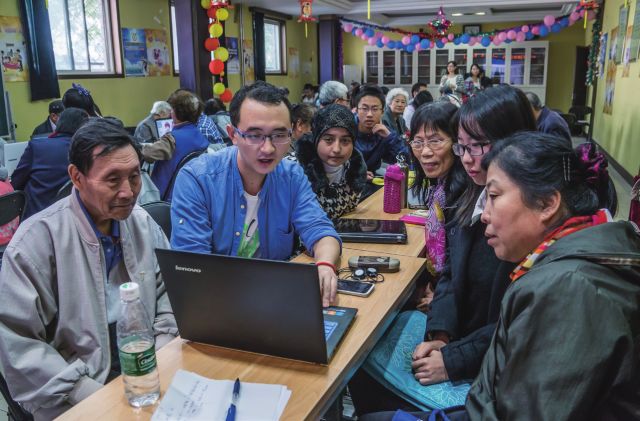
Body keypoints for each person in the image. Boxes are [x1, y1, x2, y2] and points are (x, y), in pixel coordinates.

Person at [361, 133, 638, 421]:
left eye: (493, 196)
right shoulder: (572, 255)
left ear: (546, 204)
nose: (484, 214)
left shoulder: (570, 288)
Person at [349, 84, 537, 416]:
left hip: (493, 376)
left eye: (478, 145)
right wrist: (441, 334)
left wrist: (451, 358)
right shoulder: (471, 196)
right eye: (464, 146)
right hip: (466, 342)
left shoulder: (523, 221)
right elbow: (451, 270)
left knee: (362, 355)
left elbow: (518, 324)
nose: (469, 158)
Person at [0, 119, 178, 420]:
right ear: (77, 177)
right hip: (75, 394)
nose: (128, 192)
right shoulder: (36, 244)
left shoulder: (142, 224)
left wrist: (159, 357)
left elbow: (169, 294)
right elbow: (19, 345)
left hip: (147, 371)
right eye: (112, 180)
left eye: (134, 177)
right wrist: (94, 396)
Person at [170, 81, 341, 307]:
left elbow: (320, 230)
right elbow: (194, 269)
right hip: (218, 302)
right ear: (233, 134)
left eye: (279, 135)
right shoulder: (197, 179)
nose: (268, 148)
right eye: (254, 135)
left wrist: (325, 266)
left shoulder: (290, 175)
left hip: (276, 299)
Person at [11, 107, 89, 218]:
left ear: (60, 123)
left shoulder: (37, 147)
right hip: (72, 215)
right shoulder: (87, 151)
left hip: (37, 218)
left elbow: (16, 183)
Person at [295, 104, 367, 219]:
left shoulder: (354, 172)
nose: (336, 149)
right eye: (328, 139)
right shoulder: (293, 171)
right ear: (316, 140)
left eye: (345, 141)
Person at [144, 90, 209, 201]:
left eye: (172, 109)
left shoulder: (171, 139)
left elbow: (146, 153)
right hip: (192, 195)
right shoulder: (200, 136)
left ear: (175, 113)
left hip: (168, 199)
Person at [354, 86, 409, 181]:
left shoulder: (384, 132)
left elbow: (404, 160)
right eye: (364, 108)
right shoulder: (347, 129)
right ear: (356, 110)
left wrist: (390, 137)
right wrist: (355, 172)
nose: (369, 114)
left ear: (382, 112)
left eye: (375, 109)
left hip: (373, 180)